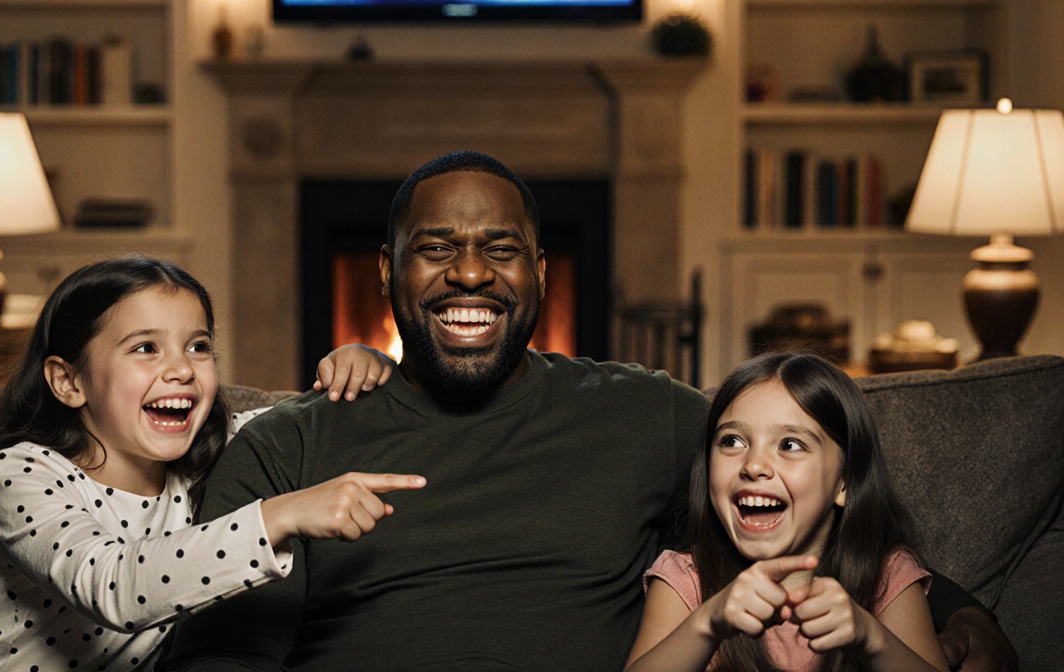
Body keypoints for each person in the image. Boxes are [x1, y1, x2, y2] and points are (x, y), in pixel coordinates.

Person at [166, 151, 1016, 672]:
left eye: (500, 249)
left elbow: (803, 487)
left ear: (541, 271)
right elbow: (220, 654)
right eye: (436, 249)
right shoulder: (289, 444)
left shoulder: (644, 414)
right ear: (385, 274)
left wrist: (959, 613)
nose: (470, 273)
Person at [0, 256, 423, 672]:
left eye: (198, 346)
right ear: (67, 382)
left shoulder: (206, 456)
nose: (182, 368)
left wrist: (358, 362)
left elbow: (300, 423)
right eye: (145, 348)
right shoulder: (22, 474)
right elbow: (113, 585)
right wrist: (282, 515)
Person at [625, 352, 947, 672]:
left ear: (844, 483)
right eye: (732, 441)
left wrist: (872, 639)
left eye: (790, 445)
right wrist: (707, 624)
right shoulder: (686, 580)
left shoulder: (886, 576)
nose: (753, 465)